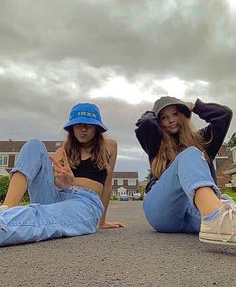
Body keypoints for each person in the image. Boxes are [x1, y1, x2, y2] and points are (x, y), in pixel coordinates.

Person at [0, 102, 124, 246]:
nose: (83, 129)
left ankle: (4, 223)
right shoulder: (62, 151)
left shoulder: (109, 146)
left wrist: (101, 221)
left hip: (84, 202)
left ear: (97, 127)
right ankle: (6, 208)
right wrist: (60, 183)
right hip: (58, 195)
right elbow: (54, 184)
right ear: (72, 127)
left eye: (88, 125)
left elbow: (107, 186)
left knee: (40, 215)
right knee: (34, 145)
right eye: (78, 125)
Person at [135, 96, 235, 246]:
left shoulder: (203, 139)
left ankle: (218, 222)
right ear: (159, 121)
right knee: (190, 153)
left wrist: (194, 106)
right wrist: (155, 111)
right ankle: (215, 217)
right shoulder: (156, 142)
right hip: (163, 211)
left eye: (175, 114)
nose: (171, 120)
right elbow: (145, 123)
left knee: (226, 208)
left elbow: (224, 115)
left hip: (196, 211)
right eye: (164, 117)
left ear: (183, 114)